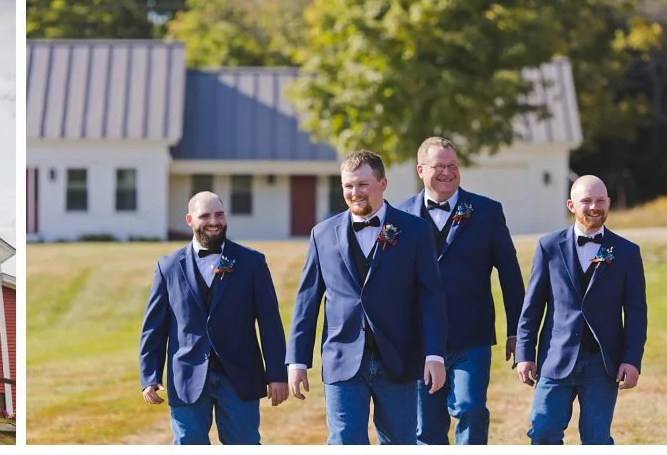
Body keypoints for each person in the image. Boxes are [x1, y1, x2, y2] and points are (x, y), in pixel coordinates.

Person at [286, 150, 447, 445]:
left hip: (398, 359)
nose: (354, 192)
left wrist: (434, 354)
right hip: (342, 358)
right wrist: (297, 360)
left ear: (383, 183)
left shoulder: (415, 231)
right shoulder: (322, 234)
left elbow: (431, 297)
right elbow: (307, 301)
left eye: (362, 184)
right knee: (345, 441)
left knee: (400, 443)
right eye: (348, 185)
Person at [396, 137, 525, 445]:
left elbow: (510, 275)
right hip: (419, 340)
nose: (448, 173)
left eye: (453, 165)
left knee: (471, 408)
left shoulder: (487, 212)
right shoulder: (398, 218)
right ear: (420, 170)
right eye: (439, 166)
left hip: (472, 336)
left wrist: (517, 332)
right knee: (425, 426)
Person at [139, 191, 288, 444]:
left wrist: (276, 374)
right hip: (186, 376)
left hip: (240, 376)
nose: (213, 221)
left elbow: (270, 324)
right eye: (205, 215)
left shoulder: (251, 262)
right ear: (190, 220)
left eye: (219, 214)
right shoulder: (168, 267)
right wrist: (150, 376)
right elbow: (154, 328)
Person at [514, 175, 647, 444]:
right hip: (556, 358)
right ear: (571, 205)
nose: (594, 206)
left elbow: (636, 314)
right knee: (542, 432)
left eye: (600, 200)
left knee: (596, 439)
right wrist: (524, 353)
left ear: (608, 203)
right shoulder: (549, 247)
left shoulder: (627, 252)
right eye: (586, 200)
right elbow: (533, 306)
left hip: (603, 362)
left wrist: (632, 360)